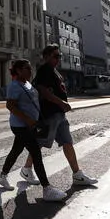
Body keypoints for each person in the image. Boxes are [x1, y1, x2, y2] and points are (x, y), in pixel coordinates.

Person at [23, 45, 97, 187]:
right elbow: (42, 90)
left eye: (59, 56)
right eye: (55, 56)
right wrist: (61, 102)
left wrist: (61, 105)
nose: (58, 59)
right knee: (39, 143)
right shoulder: (45, 70)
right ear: (46, 56)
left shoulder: (53, 71)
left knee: (67, 142)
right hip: (49, 113)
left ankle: (77, 174)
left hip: (59, 114)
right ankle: (27, 169)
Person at [0, 59, 67, 201]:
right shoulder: (14, 85)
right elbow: (10, 106)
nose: (30, 71)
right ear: (19, 70)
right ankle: (47, 189)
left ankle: (2, 176)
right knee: (36, 153)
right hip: (20, 126)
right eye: (27, 68)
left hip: (31, 125)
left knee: (16, 150)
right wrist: (28, 119)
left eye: (30, 68)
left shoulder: (28, 84)